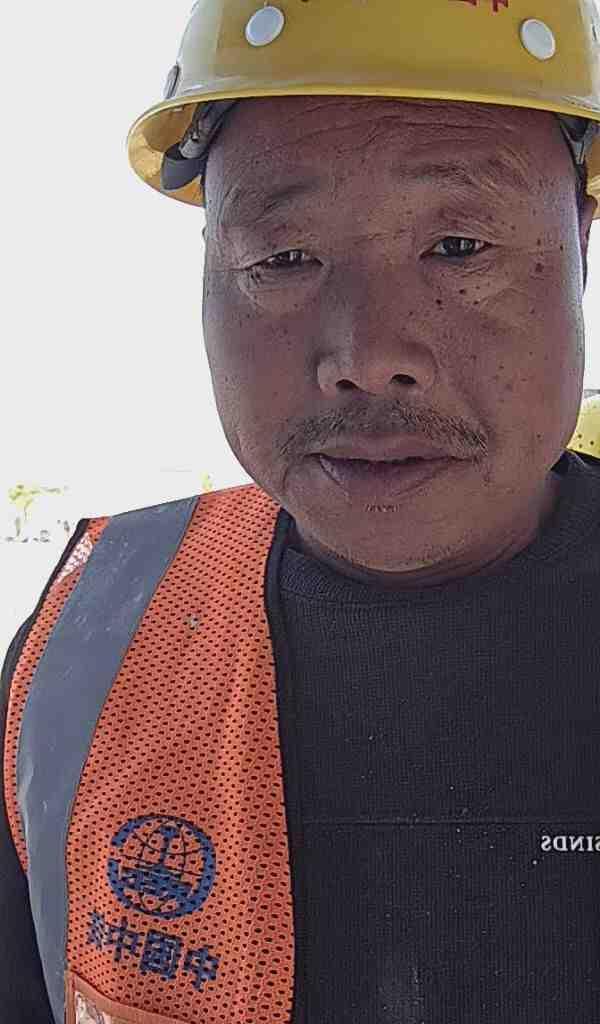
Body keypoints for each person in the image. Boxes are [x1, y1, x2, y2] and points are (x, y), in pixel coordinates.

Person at [2, 2, 600, 1021]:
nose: (366, 355)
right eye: (282, 259)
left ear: (580, 245)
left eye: (458, 244)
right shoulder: (88, 644)